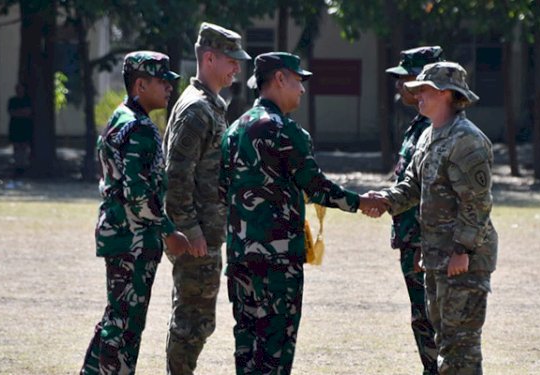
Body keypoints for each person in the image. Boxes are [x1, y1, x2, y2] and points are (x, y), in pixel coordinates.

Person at [219, 52, 388, 375]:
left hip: (241, 257)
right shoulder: (284, 130)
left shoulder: (233, 131)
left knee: (247, 348)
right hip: (277, 263)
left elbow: (221, 190)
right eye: (298, 81)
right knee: (275, 350)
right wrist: (360, 201)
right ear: (280, 79)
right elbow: (316, 186)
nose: (302, 90)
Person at [369, 61, 498, 374]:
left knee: (461, 349)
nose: (417, 96)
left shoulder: (466, 140)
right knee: (444, 342)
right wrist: (385, 200)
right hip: (437, 256)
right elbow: (412, 186)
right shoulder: (429, 135)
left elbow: (477, 202)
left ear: (444, 93)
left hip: (462, 261)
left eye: (423, 90)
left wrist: (461, 250)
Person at [80, 51, 190, 375]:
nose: (170, 87)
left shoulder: (119, 118)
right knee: (125, 326)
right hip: (134, 239)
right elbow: (138, 193)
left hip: (121, 233)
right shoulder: (139, 128)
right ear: (140, 85)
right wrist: (169, 231)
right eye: (162, 81)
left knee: (115, 317)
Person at [162, 22, 251, 375]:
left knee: (196, 318)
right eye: (231, 60)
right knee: (192, 321)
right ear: (210, 58)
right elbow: (176, 176)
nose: (237, 68)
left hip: (207, 232)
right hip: (197, 236)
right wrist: (190, 229)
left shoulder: (210, 104)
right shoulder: (196, 109)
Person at [384, 45, 443, 375]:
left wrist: (424, 242)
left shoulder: (435, 128)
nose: (398, 86)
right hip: (411, 238)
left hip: (424, 241)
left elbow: (432, 191)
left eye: (404, 79)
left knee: (432, 315)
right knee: (422, 315)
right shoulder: (419, 125)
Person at [7, 83, 33, 177]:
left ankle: (23, 165)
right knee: (16, 146)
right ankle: (18, 166)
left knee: (24, 146)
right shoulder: (12, 100)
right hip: (15, 126)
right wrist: (21, 112)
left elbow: (28, 112)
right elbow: (11, 112)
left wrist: (19, 113)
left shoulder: (27, 100)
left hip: (25, 126)